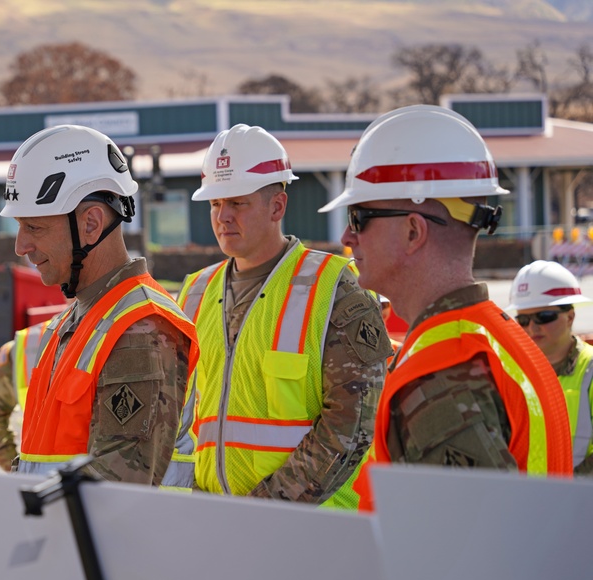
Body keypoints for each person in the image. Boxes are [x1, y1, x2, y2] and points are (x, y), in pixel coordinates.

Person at [317, 105, 572, 509]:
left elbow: (462, 560)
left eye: (359, 216)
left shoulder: (442, 371)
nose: (348, 235)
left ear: (414, 230)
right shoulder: (501, 340)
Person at [177, 124, 391, 507]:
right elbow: (180, 420)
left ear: (277, 206)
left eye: (237, 203)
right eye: (214, 204)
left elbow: (353, 424)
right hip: (217, 520)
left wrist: (267, 508)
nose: (223, 216)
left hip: (313, 530)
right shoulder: (195, 292)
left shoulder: (336, 288)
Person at [0, 124, 198, 485]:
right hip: (63, 535)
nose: (21, 245)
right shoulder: (78, 320)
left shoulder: (142, 328)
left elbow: (117, 491)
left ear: (91, 223)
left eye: (34, 227)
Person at [0, 319, 197, 489]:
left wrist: (15, 470)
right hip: (76, 492)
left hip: (49, 489)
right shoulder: (133, 330)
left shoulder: (29, 342)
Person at [508, 260, 593, 475]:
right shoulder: (510, 372)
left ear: (570, 317)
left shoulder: (589, 370)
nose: (532, 327)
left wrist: (570, 486)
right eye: (523, 320)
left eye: (544, 317)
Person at [0, 320, 49, 471]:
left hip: (45, 477)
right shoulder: (26, 344)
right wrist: (15, 470)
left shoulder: (28, 343)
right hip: (44, 478)